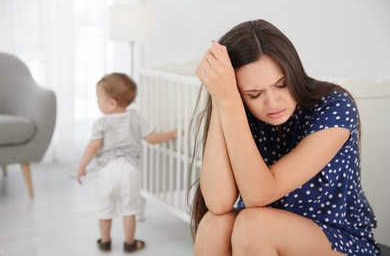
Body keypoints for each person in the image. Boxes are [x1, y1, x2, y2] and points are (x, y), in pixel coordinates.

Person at [189, 19, 380, 255]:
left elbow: (259, 195)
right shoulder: (238, 109)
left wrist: (230, 99)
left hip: (338, 237)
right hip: (267, 231)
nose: (273, 102)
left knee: (253, 226)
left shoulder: (335, 106)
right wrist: (222, 98)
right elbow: (218, 203)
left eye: (281, 84)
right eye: (254, 94)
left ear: (293, 72)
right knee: (212, 226)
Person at [77, 73, 178, 253]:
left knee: (105, 208)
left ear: (112, 103)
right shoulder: (136, 118)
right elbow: (152, 138)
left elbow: (93, 147)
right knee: (129, 209)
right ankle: (130, 243)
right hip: (130, 170)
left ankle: (105, 241)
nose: (97, 102)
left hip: (106, 171)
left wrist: (82, 166)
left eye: (99, 98)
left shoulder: (101, 123)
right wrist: (172, 133)